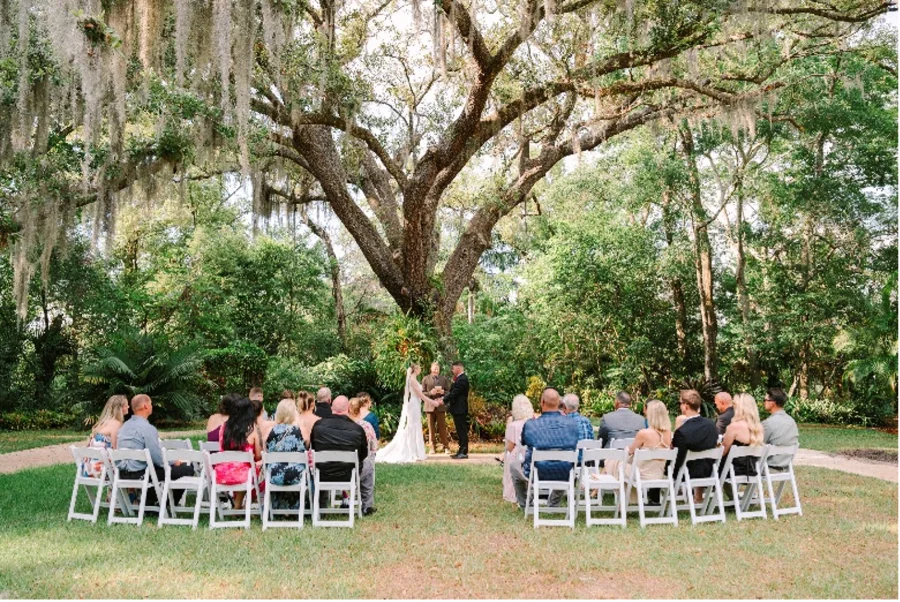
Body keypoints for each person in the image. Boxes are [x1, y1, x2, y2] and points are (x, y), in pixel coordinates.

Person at [116, 394, 195, 505]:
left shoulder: (124, 426)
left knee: (162, 470)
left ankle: (150, 501)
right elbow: (157, 458)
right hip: (141, 474)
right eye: (151, 403)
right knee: (187, 469)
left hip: (122, 474)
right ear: (145, 406)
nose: (152, 406)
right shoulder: (148, 428)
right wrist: (174, 462)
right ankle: (166, 504)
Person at [510, 388, 580, 510]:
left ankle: (526, 505)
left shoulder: (531, 425)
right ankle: (553, 503)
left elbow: (523, 443)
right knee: (564, 464)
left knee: (514, 466)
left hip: (537, 473)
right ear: (559, 403)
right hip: (565, 473)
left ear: (542, 402)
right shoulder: (572, 424)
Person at [604, 400, 672, 503]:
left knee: (612, 461)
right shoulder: (668, 434)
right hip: (659, 475)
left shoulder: (644, 433)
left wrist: (627, 448)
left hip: (641, 475)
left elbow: (630, 451)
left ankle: (621, 500)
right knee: (618, 463)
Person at [311, 396, 368, 511]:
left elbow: (314, 447)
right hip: (348, 475)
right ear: (348, 409)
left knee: (321, 463)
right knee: (368, 465)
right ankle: (367, 505)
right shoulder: (357, 429)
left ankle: (320, 506)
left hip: (323, 474)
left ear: (332, 408)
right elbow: (363, 454)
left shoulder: (318, 426)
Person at [670, 389, 718, 502]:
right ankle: (698, 496)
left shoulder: (682, 432)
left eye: (680, 403)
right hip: (709, 471)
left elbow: (677, 459)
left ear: (686, 406)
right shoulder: (711, 425)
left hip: (687, 473)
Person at [215, 397, 263, 510]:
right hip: (243, 475)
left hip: (222, 474)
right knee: (257, 469)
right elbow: (258, 456)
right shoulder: (252, 429)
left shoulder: (223, 428)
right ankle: (240, 505)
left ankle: (238, 504)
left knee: (242, 468)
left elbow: (221, 448)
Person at [376, 365, 430, 463]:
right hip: (413, 404)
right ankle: (412, 451)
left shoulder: (414, 379)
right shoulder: (412, 380)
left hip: (416, 403)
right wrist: (431, 402)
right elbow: (420, 394)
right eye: (419, 368)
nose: (421, 369)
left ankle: (417, 451)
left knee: (416, 426)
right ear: (415, 370)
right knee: (412, 426)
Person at [265, 399, 307, 509]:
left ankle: (277, 507)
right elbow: (307, 447)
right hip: (296, 475)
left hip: (274, 475)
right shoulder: (300, 430)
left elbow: (265, 451)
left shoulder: (269, 430)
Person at [82, 394, 129, 478]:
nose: (128, 407)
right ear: (119, 408)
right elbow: (116, 450)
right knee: (135, 468)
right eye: (126, 405)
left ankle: (113, 491)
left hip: (88, 468)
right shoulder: (116, 424)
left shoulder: (102, 423)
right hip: (102, 469)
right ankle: (130, 491)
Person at [721, 393, 764, 477]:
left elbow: (722, 452)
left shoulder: (734, 427)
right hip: (752, 469)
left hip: (733, 470)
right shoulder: (759, 427)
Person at [349, 396, 379, 515]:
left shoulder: (344, 426)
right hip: (359, 467)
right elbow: (373, 446)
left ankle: (347, 499)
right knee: (368, 465)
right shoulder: (366, 426)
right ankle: (367, 505)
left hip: (343, 467)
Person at [503, 394, 533, 506]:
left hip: (517, 456)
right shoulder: (532, 424)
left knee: (508, 455)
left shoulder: (513, 425)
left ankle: (512, 492)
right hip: (530, 455)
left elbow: (510, 447)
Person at [762, 387, 799, 470]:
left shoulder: (767, 423)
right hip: (786, 466)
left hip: (769, 467)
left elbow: (758, 445)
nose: (764, 402)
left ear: (772, 403)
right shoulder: (792, 421)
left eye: (765, 400)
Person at [440, 361, 470, 459]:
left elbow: (455, 393)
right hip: (457, 409)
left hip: (460, 409)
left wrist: (443, 400)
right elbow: (453, 392)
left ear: (458, 368)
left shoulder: (462, 379)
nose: (452, 371)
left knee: (462, 430)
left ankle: (464, 451)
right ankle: (461, 450)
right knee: (460, 430)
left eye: (453, 369)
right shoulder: (459, 379)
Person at [421, 361, 451, 454]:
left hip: (440, 406)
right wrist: (430, 393)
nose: (436, 370)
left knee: (442, 427)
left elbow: (449, 392)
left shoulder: (444, 379)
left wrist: (443, 393)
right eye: (434, 368)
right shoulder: (425, 379)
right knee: (431, 428)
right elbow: (422, 393)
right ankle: (432, 447)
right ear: (431, 369)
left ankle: (446, 447)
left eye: (437, 369)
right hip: (429, 407)